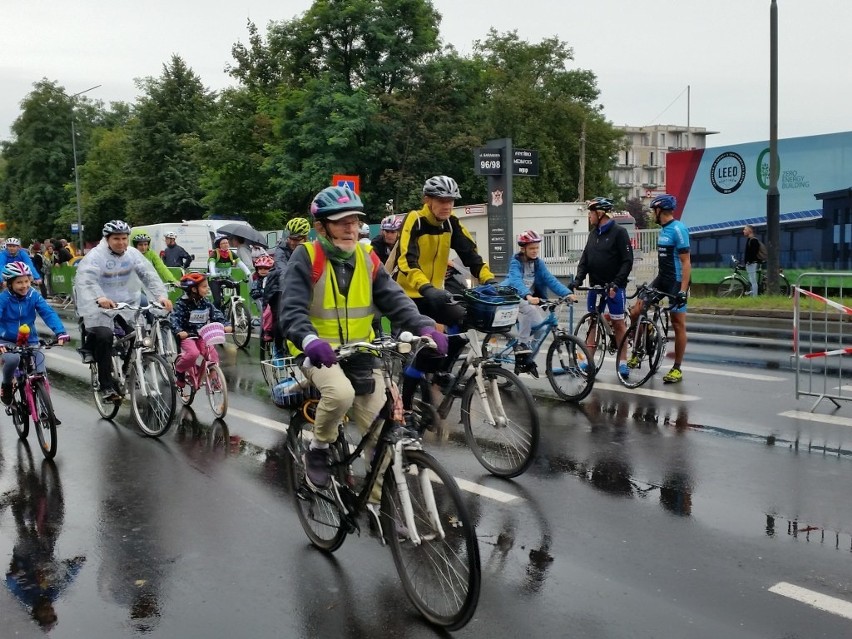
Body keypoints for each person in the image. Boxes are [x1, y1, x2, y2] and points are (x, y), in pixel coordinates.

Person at [280, 185, 447, 490]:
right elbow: (291, 311)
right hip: (318, 352)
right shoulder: (306, 257)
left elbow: (394, 298)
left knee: (384, 430)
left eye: (355, 221)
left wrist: (424, 327)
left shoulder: (367, 257)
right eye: (342, 222)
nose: (351, 228)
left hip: (361, 351)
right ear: (321, 227)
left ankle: (376, 504)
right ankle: (318, 450)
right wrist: (309, 340)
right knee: (340, 394)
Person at [395, 175, 498, 415]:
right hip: (409, 294)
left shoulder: (451, 223)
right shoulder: (416, 220)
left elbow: (471, 255)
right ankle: (406, 409)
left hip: (435, 293)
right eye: (442, 200)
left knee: (464, 321)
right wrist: (425, 287)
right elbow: (406, 261)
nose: (447, 205)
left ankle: (442, 371)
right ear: (427, 200)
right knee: (427, 350)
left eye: (451, 200)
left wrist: (488, 278)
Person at [74, 220, 173, 401]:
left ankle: (129, 372)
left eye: (124, 238)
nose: (121, 243)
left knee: (137, 336)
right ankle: (106, 385)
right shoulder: (96, 256)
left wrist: (160, 296)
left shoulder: (133, 254)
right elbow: (87, 280)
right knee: (104, 337)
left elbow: (149, 276)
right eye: (116, 239)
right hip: (100, 306)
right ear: (107, 239)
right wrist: (99, 297)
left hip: (126, 304)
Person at [628, 194, 690, 384]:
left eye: (653, 210)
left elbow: (686, 262)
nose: (652, 213)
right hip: (662, 278)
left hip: (676, 281)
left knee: (678, 323)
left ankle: (677, 368)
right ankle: (638, 351)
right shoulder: (663, 229)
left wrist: (682, 291)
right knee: (637, 311)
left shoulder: (678, 229)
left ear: (659, 210)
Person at [571, 198, 634, 378]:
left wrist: (616, 282)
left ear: (600, 214)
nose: (589, 216)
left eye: (591, 213)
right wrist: (578, 280)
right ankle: (589, 361)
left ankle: (623, 361)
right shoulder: (593, 234)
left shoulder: (619, 233)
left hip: (614, 287)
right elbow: (585, 260)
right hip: (595, 287)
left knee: (618, 324)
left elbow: (627, 261)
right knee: (593, 322)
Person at [501, 230, 575, 368]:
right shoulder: (516, 262)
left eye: (537, 248)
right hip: (513, 296)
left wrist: (567, 293)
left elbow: (550, 279)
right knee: (529, 310)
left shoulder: (538, 263)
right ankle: (523, 344)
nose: (535, 251)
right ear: (523, 249)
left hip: (528, 298)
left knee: (541, 329)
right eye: (532, 248)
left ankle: (527, 361)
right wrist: (528, 295)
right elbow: (516, 281)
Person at [0, 262, 70, 405]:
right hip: (7, 340)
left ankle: (46, 408)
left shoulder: (33, 295)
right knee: (13, 360)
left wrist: (60, 332)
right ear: (9, 284)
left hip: (29, 339)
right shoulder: (3, 299)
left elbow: (48, 313)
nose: (25, 285)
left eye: (27, 281)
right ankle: (6, 385)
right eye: (19, 282)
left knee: (40, 364)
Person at [170, 272, 231, 387]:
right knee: (193, 353)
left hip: (202, 335)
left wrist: (226, 324)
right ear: (193, 289)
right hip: (187, 336)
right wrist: (179, 331)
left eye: (207, 286)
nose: (208, 288)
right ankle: (180, 370)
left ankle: (214, 379)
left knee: (213, 355)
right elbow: (174, 319)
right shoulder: (181, 304)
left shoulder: (206, 302)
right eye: (204, 286)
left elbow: (216, 314)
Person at [264, 217, 311, 350]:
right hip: (279, 285)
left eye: (296, 239)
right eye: (290, 238)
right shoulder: (281, 249)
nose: (292, 242)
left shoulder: (310, 248)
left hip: (301, 284)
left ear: (305, 237)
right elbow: (282, 267)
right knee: (280, 318)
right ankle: (277, 348)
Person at [207, 235, 251, 311]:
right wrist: (213, 274)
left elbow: (240, 263)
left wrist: (248, 273)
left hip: (226, 277)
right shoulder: (215, 254)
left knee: (237, 284)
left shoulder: (231, 253)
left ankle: (236, 303)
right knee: (217, 301)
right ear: (218, 245)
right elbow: (211, 264)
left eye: (227, 243)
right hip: (215, 279)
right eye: (223, 243)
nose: (226, 244)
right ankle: (214, 314)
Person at [743, 224, 761, 297]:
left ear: (750, 231)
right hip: (750, 263)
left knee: (753, 280)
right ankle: (752, 295)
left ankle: (755, 297)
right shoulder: (750, 240)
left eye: (745, 229)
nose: (743, 231)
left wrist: (749, 262)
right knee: (751, 280)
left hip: (752, 264)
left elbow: (753, 253)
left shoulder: (753, 241)